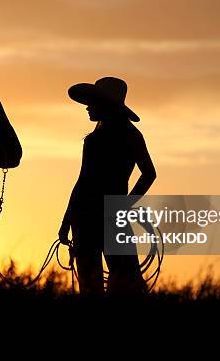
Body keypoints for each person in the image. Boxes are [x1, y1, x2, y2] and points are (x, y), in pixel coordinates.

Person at [59, 77, 157, 295]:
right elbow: (83, 180)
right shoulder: (116, 135)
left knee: (109, 281)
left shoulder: (124, 135)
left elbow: (149, 173)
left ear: (104, 105)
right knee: (117, 280)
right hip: (92, 216)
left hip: (93, 215)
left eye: (91, 102)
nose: (87, 107)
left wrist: (124, 205)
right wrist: (67, 221)